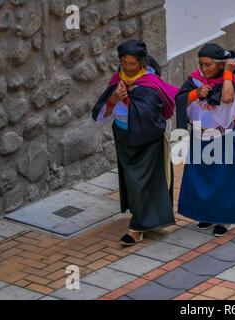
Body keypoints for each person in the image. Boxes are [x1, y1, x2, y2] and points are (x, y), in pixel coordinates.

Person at [91, 39, 179, 245]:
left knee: (141, 183)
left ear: (141, 62)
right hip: (124, 140)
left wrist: (128, 100)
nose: (127, 68)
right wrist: (113, 99)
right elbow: (100, 116)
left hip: (147, 142)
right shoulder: (117, 80)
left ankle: (136, 228)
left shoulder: (150, 84)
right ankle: (148, 219)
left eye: (132, 63)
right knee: (133, 184)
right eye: (124, 63)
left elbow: (152, 117)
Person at [175, 43, 235, 237]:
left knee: (223, 182)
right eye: (201, 64)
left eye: (208, 65)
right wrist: (195, 93)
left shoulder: (230, 82)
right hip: (200, 136)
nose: (204, 69)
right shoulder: (195, 80)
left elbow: (226, 99)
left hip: (222, 138)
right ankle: (206, 214)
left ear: (219, 65)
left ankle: (225, 220)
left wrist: (227, 73)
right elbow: (181, 98)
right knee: (201, 180)